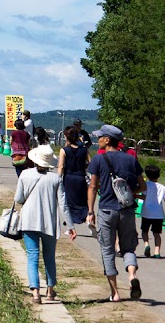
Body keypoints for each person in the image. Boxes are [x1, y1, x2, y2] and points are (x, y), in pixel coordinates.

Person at [86, 124, 145, 302]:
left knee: (107, 250)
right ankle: (132, 276)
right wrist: (128, 193)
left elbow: (93, 186)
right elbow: (143, 186)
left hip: (106, 209)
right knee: (128, 248)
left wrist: (90, 211)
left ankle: (115, 293)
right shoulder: (130, 159)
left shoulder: (98, 159)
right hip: (127, 211)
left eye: (100, 137)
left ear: (108, 140)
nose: (98, 140)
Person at [15, 145, 63, 304]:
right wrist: (70, 226)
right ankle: (50, 291)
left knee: (32, 256)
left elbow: (18, 199)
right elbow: (63, 203)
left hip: (29, 221)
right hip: (49, 222)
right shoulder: (56, 178)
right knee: (49, 257)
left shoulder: (24, 174)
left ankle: (35, 292)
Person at [56, 126, 90, 239]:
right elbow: (90, 162)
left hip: (69, 178)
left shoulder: (64, 150)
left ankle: (70, 227)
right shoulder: (84, 150)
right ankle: (87, 218)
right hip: (81, 177)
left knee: (68, 202)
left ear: (66, 136)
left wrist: (58, 179)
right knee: (82, 201)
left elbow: (60, 166)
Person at [141, 164, 164, 259]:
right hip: (158, 213)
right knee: (157, 233)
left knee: (144, 231)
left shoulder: (145, 185)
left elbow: (143, 196)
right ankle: (157, 251)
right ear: (158, 175)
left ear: (147, 175)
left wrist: (135, 196)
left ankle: (146, 244)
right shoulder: (162, 187)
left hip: (147, 212)